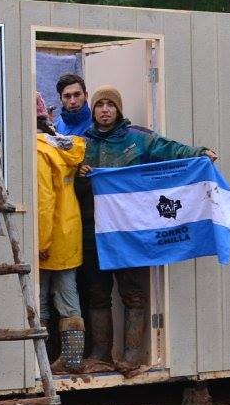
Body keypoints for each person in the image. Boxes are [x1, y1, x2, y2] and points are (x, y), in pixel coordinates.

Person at [77, 85, 219, 376]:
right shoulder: (81, 144)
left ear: (118, 110)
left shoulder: (138, 140)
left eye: (110, 105)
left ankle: (130, 357)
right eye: (99, 105)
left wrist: (198, 153)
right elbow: (65, 180)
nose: (105, 109)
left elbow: (169, 149)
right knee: (97, 294)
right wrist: (79, 175)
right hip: (92, 230)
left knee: (133, 294)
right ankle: (100, 354)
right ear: (93, 111)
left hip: (129, 233)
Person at [35, 94, 87, 373]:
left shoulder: (39, 151)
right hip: (70, 231)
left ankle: (38, 362)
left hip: (49, 236)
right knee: (68, 297)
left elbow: (44, 201)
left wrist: (41, 241)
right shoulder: (67, 146)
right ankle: (72, 360)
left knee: (40, 300)